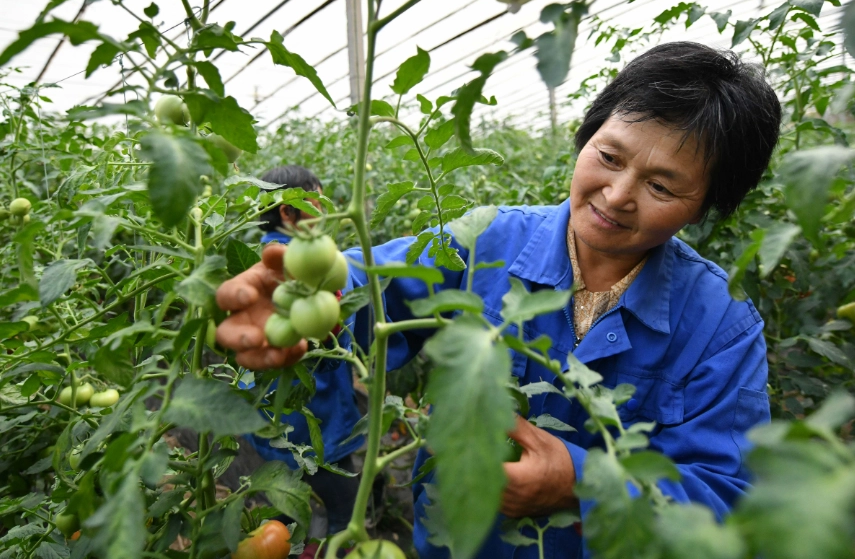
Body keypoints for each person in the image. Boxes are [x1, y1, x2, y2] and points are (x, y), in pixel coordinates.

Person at [216, 42, 782, 558]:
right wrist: (306, 298)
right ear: (589, 136)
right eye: (609, 156)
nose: (617, 195)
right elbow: (375, 285)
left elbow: (726, 502)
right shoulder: (485, 240)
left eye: (660, 187)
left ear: (706, 206)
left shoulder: (722, 327)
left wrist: (581, 484)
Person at [245, 165, 363, 556]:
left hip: (275, 422)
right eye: (317, 199)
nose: (325, 208)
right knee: (346, 509)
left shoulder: (261, 259)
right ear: (287, 210)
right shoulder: (296, 265)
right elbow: (326, 339)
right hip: (318, 425)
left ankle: (289, 546)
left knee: (288, 507)